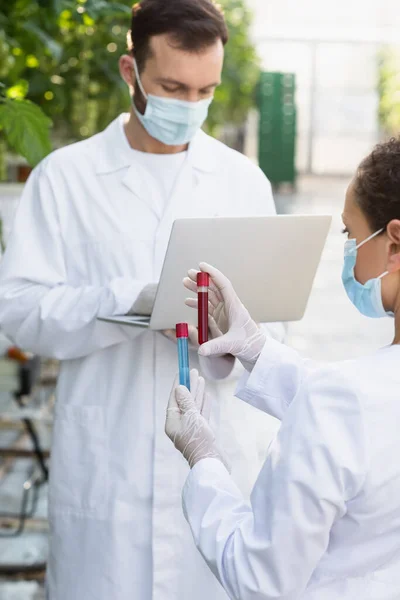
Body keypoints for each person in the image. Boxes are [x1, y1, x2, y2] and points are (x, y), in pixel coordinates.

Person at [0, 1, 284, 598]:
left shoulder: (242, 181)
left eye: (205, 89)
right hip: (109, 462)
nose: (191, 105)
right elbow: (20, 312)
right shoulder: (66, 177)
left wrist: (231, 334)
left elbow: (274, 333)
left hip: (216, 458)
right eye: (173, 87)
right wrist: (133, 302)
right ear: (131, 72)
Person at [166, 138, 400, 600]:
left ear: (394, 242)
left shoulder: (344, 401)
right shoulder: (355, 399)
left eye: (351, 236)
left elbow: (259, 581)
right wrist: (256, 348)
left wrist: (204, 463)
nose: (350, 251)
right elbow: (366, 416)